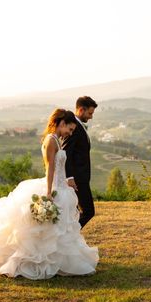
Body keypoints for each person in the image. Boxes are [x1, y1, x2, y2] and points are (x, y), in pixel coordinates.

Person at [0, 108, 98, 280]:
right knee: (50, 229)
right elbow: (50, 168)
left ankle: (56, 261)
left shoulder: (57, 140)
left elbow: (59, 168)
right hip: (54, 187)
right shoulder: (51, 140)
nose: (70, 133)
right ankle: (40, 261)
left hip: (61, 186)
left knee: (58, 229)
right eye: (69, 129)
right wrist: (49, 192)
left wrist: (65, 182)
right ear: (61, 123)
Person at [62, 96, 97, 229]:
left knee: (75, 212)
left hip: (81, 178)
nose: (91, 117)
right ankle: (70, 236)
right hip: (77, 179)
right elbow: (65, 153)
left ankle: (70, 238)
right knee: (88, 211)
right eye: (90, 113)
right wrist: (70, 177)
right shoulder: (74, 128)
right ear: (81, 110)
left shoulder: (78, 126)